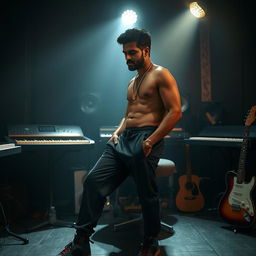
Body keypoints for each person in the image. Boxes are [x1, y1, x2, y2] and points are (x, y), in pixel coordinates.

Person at [57, 28, 182, 256]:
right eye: (124, 53)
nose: (127, 57)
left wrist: (151, 141)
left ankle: (150, 242)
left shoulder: (161, 74)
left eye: (132, 52)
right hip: (124, 139)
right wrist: (117, 131)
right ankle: (81, 242)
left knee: (147, 193)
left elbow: (174, 112)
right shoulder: (132, 82)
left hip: (147, 137)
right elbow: (128, 114)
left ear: (146, 50)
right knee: (93, 182)